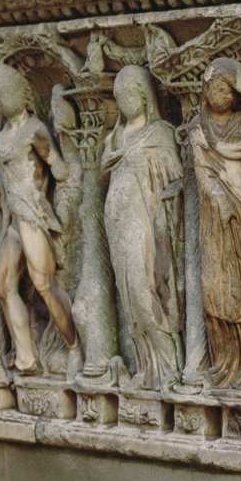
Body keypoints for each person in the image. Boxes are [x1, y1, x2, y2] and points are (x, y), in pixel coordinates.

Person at [0, 62, 80, 376]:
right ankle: (26, 358)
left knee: (43, 284)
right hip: (14, 220)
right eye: (0, 93)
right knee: (2, 285)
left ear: (23, 94)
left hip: (33, 214)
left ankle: (74, 346)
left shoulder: (34, 129)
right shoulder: (3, 135)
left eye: (9, 91)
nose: (5, 98)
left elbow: (59, 167)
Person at [102, 65, 184, 391]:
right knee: (129, 298)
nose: (124, 101)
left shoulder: (159, 133)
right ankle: (147, 368)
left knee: (143, 289)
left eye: (129, 94)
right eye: (118, 96)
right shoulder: (114, 138)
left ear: (144, 96)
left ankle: (169, 365)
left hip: (145, 222)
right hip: (118, 225)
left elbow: (174, 179)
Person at [189, 57, 241, 388]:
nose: (219, 94)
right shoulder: (198, 130)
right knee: (216, 289)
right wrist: (220, 199)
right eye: (214, 87)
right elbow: (203, 174)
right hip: (215, 217)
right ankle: (226, 361)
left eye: (226, 89)